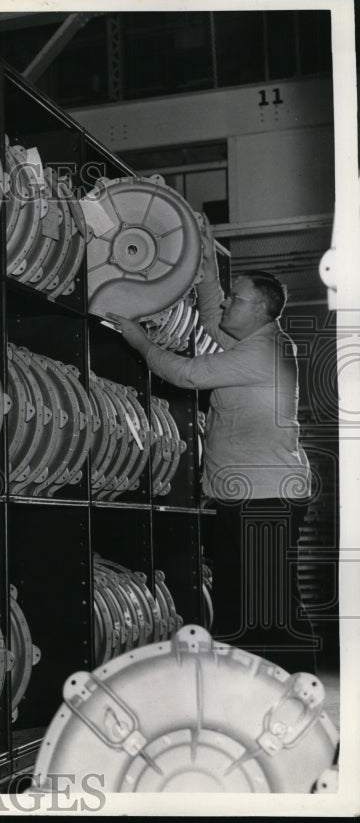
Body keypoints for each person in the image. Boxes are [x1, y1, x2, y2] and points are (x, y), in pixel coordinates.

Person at [107, 247, 318, 675]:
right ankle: (259, 697)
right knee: (247, 603)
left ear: (260, 308)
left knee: (268, 607)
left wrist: (137, 337)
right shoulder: (263, 340)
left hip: (263, 500)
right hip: (256, 496)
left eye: (236, 298)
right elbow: (211, 323)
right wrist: (207, 278)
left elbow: (187, 374)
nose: (227, 303)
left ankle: (295, 698)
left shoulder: (259, 354)